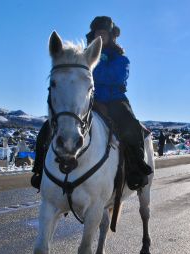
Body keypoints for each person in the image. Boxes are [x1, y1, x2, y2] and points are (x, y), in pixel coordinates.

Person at [31, 16, 153, 190]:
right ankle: (39, 171)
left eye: (104, 33)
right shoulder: (83, 58)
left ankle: (136, 170)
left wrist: (92, 67)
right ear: (93, 35)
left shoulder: (121, 59)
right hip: (88, 101)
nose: (101, 36)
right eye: (98, 33)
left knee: (132, 127)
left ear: (112, 37)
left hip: (114, 100)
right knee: (46, 128)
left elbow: (115, 77)